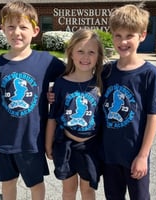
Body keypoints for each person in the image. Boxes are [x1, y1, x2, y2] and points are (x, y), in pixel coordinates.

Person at [0, 1, 65, 200]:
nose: (17, 32)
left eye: (23, 27)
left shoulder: (47, 61)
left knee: (36, 184)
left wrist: (56, 91)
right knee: (7, 183)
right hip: (3, 142)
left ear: (35, 30)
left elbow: (72, 77)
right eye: (11, 26)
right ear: (2, 29)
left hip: (32, 141)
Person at [101, 3, 156, 200]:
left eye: (129, 36)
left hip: (135, 154)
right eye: (118, 36)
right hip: (110, 154)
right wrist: (54, 94)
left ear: (142, 35)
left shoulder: (149, 74)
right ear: (112, 36)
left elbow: (152, 117)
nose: (123, 42)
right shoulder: (107, 72)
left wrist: (142, 156)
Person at [45, 29, 104, 200]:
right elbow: (52, 118)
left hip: (91, 147)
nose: (85, 57)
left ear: (98, 56)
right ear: (71, 53)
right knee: (69, 190)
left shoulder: (101, 82)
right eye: (80, 51)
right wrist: (48, 144)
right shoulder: (61, 83)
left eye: (91, 52)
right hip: (65, 145)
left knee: (87, 191)